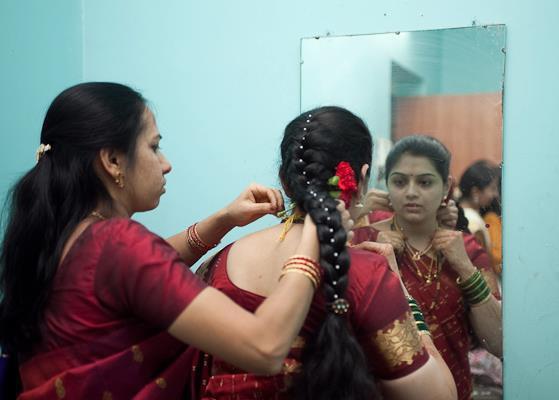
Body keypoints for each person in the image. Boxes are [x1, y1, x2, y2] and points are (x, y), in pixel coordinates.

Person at [0, 82, 325, 399]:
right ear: (112, 161)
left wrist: (223, 219)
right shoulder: (117, 243)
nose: (165, 164)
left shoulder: (65, 236)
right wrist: (313, 233)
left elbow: (140, 273)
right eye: (154, 147)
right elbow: (265, 348)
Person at [193, 107, 457, 400]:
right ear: (362, 178)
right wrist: (404, 296)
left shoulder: (218, 263)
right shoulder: (367, 274)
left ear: (284, 179)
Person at [352, 135, 502, 400]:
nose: (411, 192)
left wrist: (465, 269)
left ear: (446, 187)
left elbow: (499, 343)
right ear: (386, 184)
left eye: (424, 182)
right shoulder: (365, 242)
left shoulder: (467, 250)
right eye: (399, 181)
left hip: (454, 389)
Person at [458, 160, 500, 258]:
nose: (495, 194)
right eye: (492, 189)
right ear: (475, 192)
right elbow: (480, 264)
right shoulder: (472, 221)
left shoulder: (461, 213)